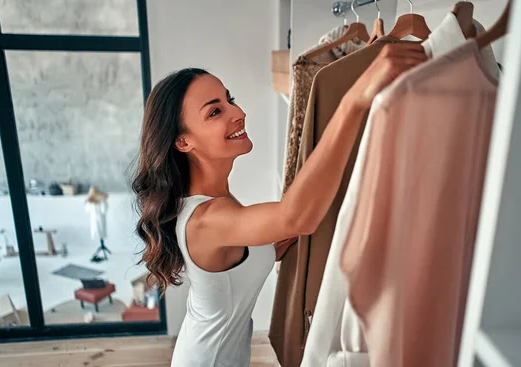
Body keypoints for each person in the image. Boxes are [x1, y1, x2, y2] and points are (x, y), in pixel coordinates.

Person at [132, 43, 427, 367]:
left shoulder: (218, 202)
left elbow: (240, 259)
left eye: (230, 100)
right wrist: (354, 101)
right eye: (215, 111)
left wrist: (271, 248)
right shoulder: (206, 219)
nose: (238, 113)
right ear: (184, 142)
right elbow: (297, 217)